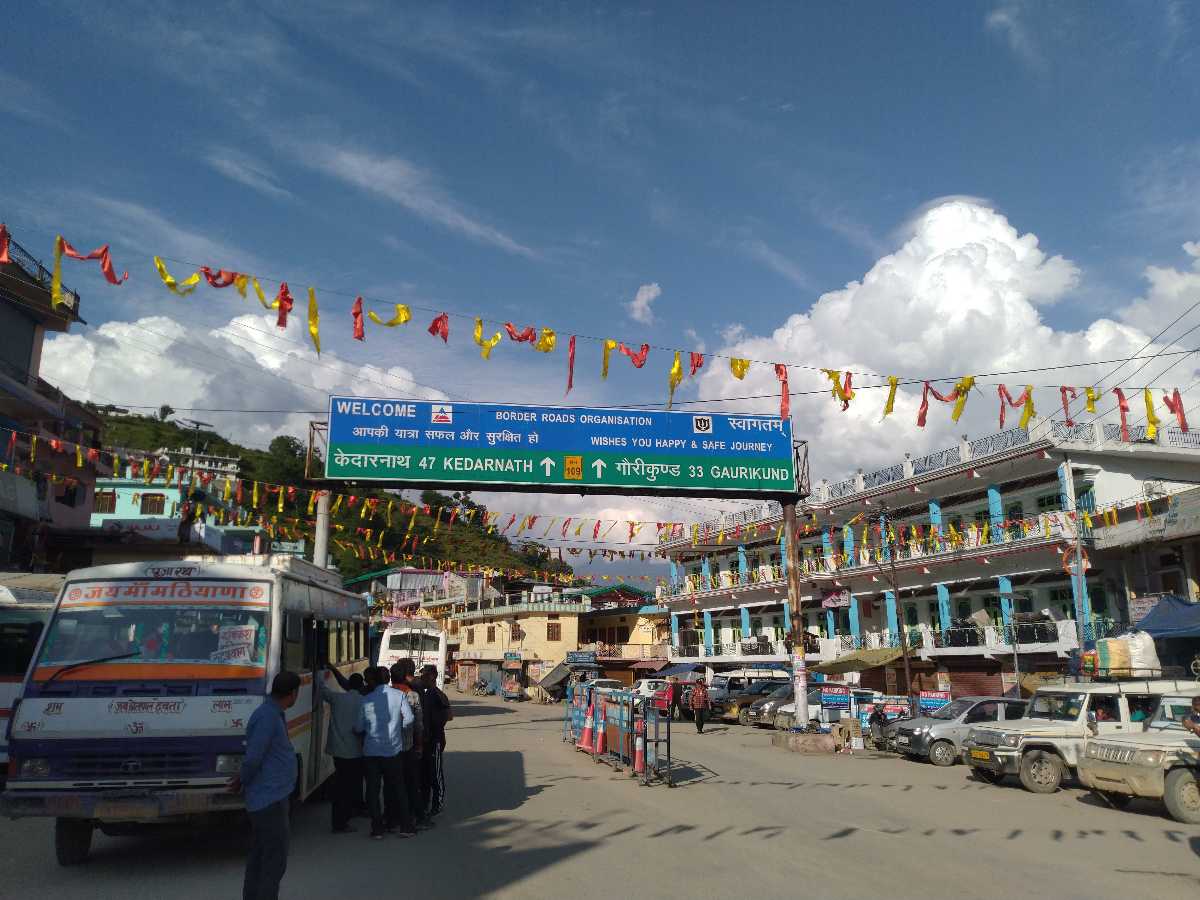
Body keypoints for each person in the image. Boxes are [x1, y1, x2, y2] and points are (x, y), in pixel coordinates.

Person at [231, 671, 300, 900]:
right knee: (273, 861)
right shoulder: (268, 716)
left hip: (270, 795)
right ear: (292, 694)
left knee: (261, 856)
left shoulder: (271, 712)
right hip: (268, 797)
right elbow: (254, 757)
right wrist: (243, 779)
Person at [356, 665, 415, 839]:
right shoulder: (399, 696)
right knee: (398, 789)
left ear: (372, 681)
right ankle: (405, 826)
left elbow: (358, 727)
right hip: (393, 751)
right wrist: (398, 728)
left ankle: (377, 829)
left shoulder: (366, 700)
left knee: (373, 791)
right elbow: (409, 719)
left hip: (371, 752)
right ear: (388, 679)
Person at [321, 665, 366, 833]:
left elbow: (323, 690)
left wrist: (323, 672)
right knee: (350, 787)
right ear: (361, 686)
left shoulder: (337, 699)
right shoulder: (364, 702)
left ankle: (339, 819)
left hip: (338, 751)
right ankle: (343, 821)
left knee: (341, 785)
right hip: (356, 751)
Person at [391, 661, 430, 829]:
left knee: (393, 784)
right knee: (412, 783)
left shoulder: (387, 694)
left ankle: (392, 819)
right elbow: (418, 725)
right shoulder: (413, 694)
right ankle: (417, 817)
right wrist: (419, 746)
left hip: (389, 747)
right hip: (409, 746)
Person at [419, 665, 453, 817]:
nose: (422, 678)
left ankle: (437, 804)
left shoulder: (438, 695)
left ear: (432, 676)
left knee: (435, 774)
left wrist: (434, 728)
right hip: (425, 741)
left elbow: (448, 715)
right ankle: (424, 803)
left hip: (435, 741)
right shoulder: (425, 694)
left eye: (424, 675)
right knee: (424, 775)